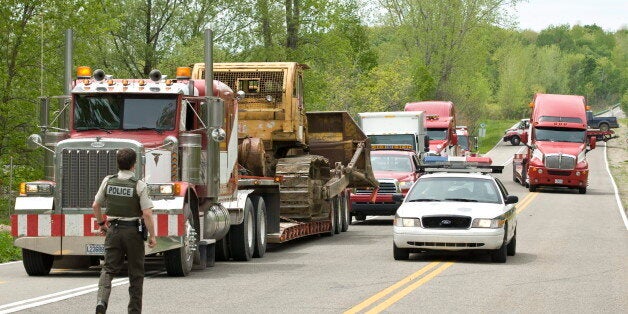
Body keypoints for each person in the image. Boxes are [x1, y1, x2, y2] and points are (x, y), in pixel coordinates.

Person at [92, 148, 156, 314]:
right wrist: (152, 236)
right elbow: (147, 213)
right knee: (136, 274)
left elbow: (96, 205)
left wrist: (101, 224)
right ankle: (134, 311)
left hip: (113, 230)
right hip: (133, 233)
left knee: (108, 269)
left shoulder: (108, 181)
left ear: (118, 164)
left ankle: (102, 301)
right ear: (134, 165)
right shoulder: (139, 185)